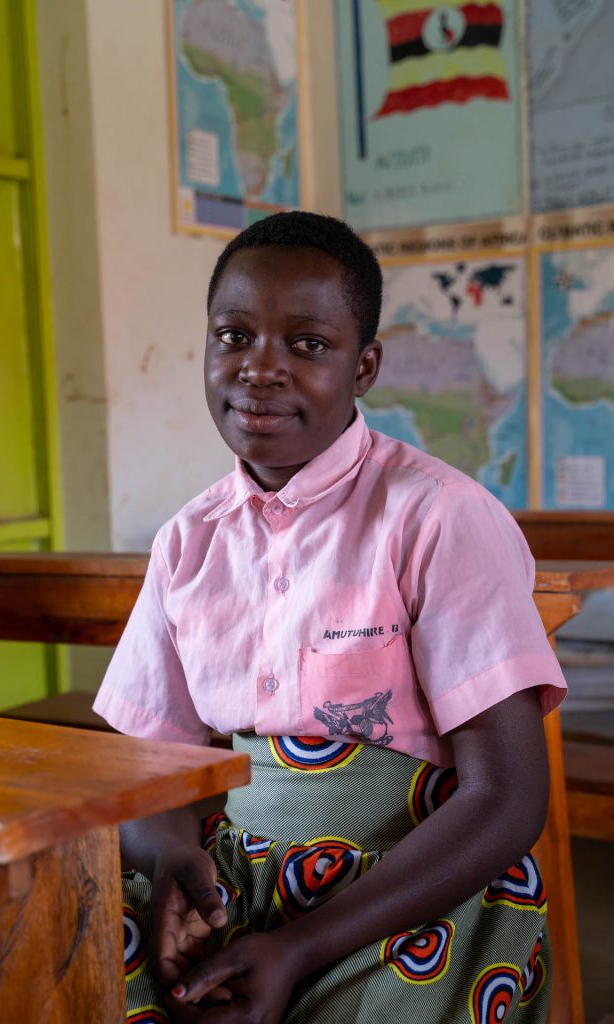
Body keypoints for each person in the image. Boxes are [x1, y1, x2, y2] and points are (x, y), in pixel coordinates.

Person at [94, 211, 567, 1024]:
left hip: (413, 888)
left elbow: (508, 796)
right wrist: (174, 861)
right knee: (70, 962)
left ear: (364, 365)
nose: (259, 369)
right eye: (232, 335)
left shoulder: (436, 517)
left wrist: (299, 947)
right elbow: (147, 767)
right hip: (232, 881)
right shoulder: (189, 541)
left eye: (307, 344)